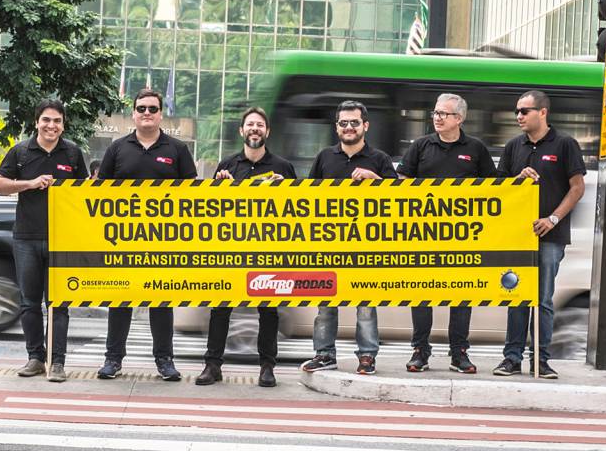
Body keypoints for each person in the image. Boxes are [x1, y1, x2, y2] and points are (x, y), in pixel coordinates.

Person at [96, 89, 197, 381]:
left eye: (152, 108)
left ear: (161, 114)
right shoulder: (117, 149)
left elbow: (193, 193)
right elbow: (99, 193)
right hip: (123, 240)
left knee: (161, 302)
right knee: (120, 300)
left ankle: (165, 361)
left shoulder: (177, 149)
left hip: (164, 240)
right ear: (134, 114)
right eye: (141, 108)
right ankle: (113, 359)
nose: (147, 113)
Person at [196, 106, 297, 388]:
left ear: (267, 132)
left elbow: (296, 210)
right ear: (242, 131)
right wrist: (220, 188)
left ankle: (267, 367)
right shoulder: (227, 165)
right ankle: (212, 365)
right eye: (250, 124)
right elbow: (213, 210)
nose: (255, 129)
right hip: (231, 248)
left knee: (269, 310)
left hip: (268, 249)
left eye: (260, 125)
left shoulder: (283, 168)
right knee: (220, 307)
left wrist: (284, 189)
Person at [397, 93, 497, 374]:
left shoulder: (475, 149)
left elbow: (495, 187)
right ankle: (420, 351)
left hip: (463, 237)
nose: (437, 118)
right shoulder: (420, 146)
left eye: (444, 114)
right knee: (421, 294)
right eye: (436, 113)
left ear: (460, 119)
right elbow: (401, 182)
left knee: (462, 295)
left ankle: (459, 353)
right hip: (424, 234)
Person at [0, 99, 89, 383]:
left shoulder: (72, 153)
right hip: (26, 238)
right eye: (46, 120)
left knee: (59, 304)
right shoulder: (21, 151)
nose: (51, 126)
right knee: (29, 303)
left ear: (63, 125)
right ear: (36, 122)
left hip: (61, 241)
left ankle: (56, 362)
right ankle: (35, 358)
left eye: (57, 121)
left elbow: (83, 192)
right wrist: (30, 183)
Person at [492, 91, 585, 379]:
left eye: (524, 110)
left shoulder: (565, 144)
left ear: (542, 112)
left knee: (543, 299)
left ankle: (541, 361)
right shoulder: (513, 146)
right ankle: (511, 359)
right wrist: (518, 180)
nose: (518, 116)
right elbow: (499, 188)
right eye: (517, 111)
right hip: (518, 236)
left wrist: (553, 219)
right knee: (516, 295)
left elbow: (577, 187)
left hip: (551, 236)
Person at [301, 101, 396, 376]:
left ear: (365, 125)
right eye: (343, 123)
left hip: (367, 245)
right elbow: (308, 198)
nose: (349, 127)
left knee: (365, 305)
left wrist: (375, 179)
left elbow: (399, 199)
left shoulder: (380, 159)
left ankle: (367, 356)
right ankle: (324, 354)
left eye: (354, 122)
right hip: (329, 243)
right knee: (325, 304)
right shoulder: (324, 157)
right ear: (336, 127)